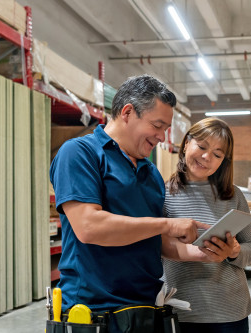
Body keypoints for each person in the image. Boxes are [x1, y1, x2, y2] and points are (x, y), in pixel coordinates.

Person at [49, 74, 208, 331]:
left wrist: (201, 253)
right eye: (157, 125)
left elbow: (153, 241)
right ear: (127, 112)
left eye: (165, 129)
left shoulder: (151, 172)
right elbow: (88, 226)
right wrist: (166, 225)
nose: (161, 137)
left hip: (146, 309)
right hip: (94, 312)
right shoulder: (80, 153)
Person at [161, 118, 251, 333]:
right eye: (202, 146)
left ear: (223, 161)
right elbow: (152, 247)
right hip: (179, 310)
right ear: (187, 143)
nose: (206, 157)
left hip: (229, 312)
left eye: (217, 154)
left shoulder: (233, 196)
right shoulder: (162, 194)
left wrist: (234, 252)